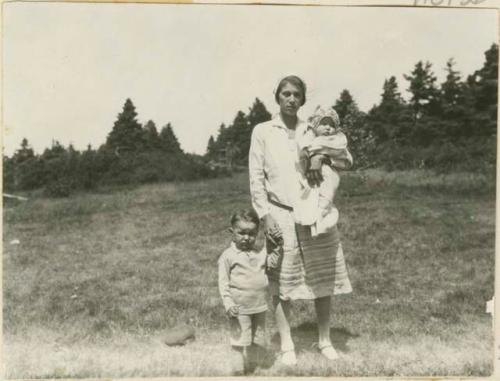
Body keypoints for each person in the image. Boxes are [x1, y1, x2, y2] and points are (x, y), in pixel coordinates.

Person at [249, 75, 352, 365]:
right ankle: (286, 344)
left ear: (303, 99)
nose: (291, 99)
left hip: (315, 214)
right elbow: (256, 177)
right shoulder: (263, 131)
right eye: (286, 94)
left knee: (323, 277)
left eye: (296, 94)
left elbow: (347, 160)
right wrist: (265, 215)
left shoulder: (315, 129)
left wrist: (322, 157)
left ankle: (324, 340)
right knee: (282, 281)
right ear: (277, 97)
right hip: (279, 212)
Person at [217, 208, 273, 373]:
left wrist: (275, 248)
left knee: (257, 340)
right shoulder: (227, 256)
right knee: (239, 342)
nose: (247, 238)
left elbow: (270, 258)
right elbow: (223, 283)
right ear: (232, 232)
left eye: (252, 234)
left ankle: (252, 368)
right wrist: (228, 304)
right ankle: (238, 371)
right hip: (239, 309)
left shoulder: (257, 253)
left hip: (259, 306)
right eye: (242, 233)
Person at [294, 105, 353, 237]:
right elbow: (303, 146)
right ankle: (312, 221)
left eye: (332, 125)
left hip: (330, 174)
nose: (328, 128)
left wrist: (326, 159)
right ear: (315, 125)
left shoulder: (336, 140)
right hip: (309, 173)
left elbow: (347, 160)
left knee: (327, 195)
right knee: (309, 196)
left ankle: (322, 217)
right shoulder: (310, 135)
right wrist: (307, 154)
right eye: (324, 124)